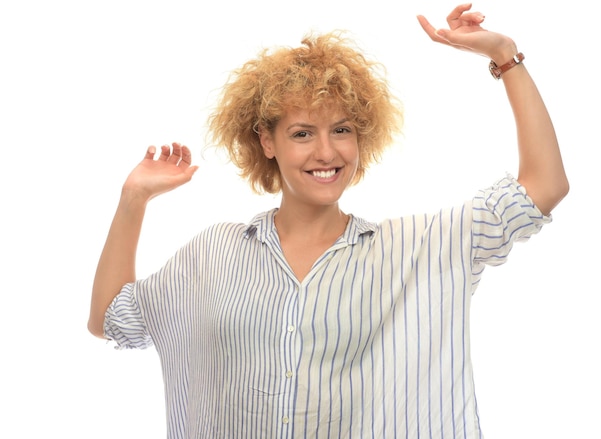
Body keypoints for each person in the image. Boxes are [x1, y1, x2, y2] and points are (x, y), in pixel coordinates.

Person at [88, 4, 568, 438]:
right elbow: (110, 319)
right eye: (302, 133)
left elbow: (544, 187)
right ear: (267, 141)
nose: (326, 152)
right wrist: (134, 198)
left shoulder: (421, 246)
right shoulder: (214, 252)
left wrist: (505, 57)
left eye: (342, 130)